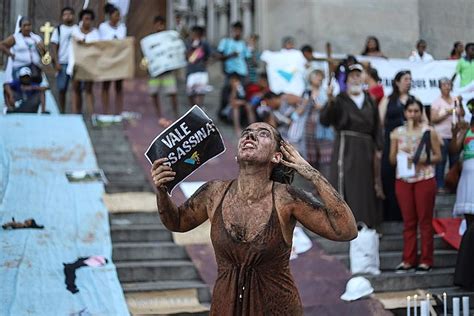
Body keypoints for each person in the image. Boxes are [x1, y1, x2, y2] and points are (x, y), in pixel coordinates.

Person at [150, 122, 358, 315]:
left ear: (277, 157)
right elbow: (176, 222)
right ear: (237, 155)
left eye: (263, 134)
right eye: (246, 133)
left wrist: (311, 173)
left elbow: (346, 230)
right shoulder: (214, 192)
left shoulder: (287, 198)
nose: (251, 135)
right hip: (225, 307)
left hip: (277, 309)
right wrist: (162, 191)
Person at [320, 64, 384, 228]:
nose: (355, 79)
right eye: (352, 76)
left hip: (367, 149)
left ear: (363, 78)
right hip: (346, 148)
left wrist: (379, 148)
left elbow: (377, 126)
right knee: (347, 183)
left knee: (367, 186)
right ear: (347, 79)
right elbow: (325, 120)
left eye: (358, 75)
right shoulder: (340, 99)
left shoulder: (370, 100)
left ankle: (367, 224)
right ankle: (345, 224)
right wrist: (330, 101)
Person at [389, 98, 441, 273]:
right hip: (403, 179)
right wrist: (399, 156)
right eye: (409, 111)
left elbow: (438, 156)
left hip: (424, 178)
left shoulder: (429, 131)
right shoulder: (396, 132)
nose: (413, 114)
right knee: (408, 222)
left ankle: (426, 259)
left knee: (425, 221)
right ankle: (408, 259)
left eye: (416, 111)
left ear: (421, 112)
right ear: (405, 112)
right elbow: (390, 159)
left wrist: (422, 159)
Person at [379, 70, 414, 221]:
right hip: (390, 143)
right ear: (397, 82)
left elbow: (424, 121)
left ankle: (405, 214)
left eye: (410, 79)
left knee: (406, 177)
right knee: (388, 176)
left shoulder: (414, 100)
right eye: (406, 79)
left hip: (409, 146)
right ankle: (390, 214)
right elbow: (380, 122)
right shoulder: (388, 99)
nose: (408, 81)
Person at [451, 99, 474, 289]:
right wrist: (455, 132)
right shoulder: (466, 128)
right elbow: (453, 149)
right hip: (467, 180)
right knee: (470, 226)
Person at [430, 78, 464, 192]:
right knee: (441, 161)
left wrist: (462, 104)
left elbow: (462, 115)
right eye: (444, 85)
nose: (447, 87)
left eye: (449, 84)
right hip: (441, 136)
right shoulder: (436, 102)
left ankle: (453, 185)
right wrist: (448, 112)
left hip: (455, 136)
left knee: (454, 161)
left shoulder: (455, 100)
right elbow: (433, 118)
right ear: (440, 87)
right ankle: (439, 185)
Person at [301, 69, 334, 178]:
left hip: (324, 128)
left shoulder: (326, 92)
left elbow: (330, 106)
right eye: (317, 76)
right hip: (309, 127)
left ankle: (326, 181)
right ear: (311, 78)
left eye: (321, 77)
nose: (320, 79)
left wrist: (323, 106)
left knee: (326, 155)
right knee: (312, 155)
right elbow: (302, 108)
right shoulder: (306, 92)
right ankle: (314, 183)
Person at [69, 9, 100, 116]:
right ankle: (76, 113)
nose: (87, 21)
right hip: (76, 64)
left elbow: (97, 47)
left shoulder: (95, 33)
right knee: (75, 88)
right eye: (85, 19)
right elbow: (74, 40)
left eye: (89, 19)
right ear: (81, 19)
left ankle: (91, 114)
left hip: (89, 65)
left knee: (88, 89)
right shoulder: (75, 30)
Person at [147, 16, 179, 119]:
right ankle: (158, 114)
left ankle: (175, 114)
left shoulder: (168, 38)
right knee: (154, 93)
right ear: (154, 25)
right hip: (155, 72)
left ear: (164, 25)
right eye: (157, 24)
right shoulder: (150, 40)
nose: (159, 26)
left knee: (172, 92)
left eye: (161, 24)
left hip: (167, 71)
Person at [98, 3, 127, 115]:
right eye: (116, 15)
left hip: (119, 59)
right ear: (110, 15)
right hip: (107, 59)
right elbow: (101, 42)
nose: (118, 17)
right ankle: (106, 111)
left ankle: (118, 111)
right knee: (106, 85)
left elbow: (124, 42)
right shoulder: (103, 27)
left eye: (119, 15)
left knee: (118, 86)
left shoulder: (122, 27)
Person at [0, 16, 46, 83]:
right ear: (20, 27)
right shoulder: (15, 37)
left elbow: (44, 54)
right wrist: (10, 54)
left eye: (29, 25)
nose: (27, 28)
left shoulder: (36, 38)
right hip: (19, 67)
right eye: (24, 25)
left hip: (34, 69)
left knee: (34, 88)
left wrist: (42, 48)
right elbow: (2, 45)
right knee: (21, 88)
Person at [51, 7, 75, 114]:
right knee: (62, 89)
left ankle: (75, 112)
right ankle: (62, 111)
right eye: (65, 14)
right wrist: (56, 62)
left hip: (75, 63)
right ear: (62, 17)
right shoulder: (59, 30)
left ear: (74, 16)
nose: (68, 16)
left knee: (76, 89)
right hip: (63, 62)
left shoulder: (77, 29)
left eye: (70, 14)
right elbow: (54, 47)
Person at [185, 25, 211, 107]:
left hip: (201, 71)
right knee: (190, 93)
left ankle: (199, 109)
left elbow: (208, 55)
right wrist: (193, 48)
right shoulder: (188, 43)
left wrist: (205, 63)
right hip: (191, 71)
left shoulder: (204, 44)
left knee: (200, 92)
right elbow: (187, 57)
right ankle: (192, 109)